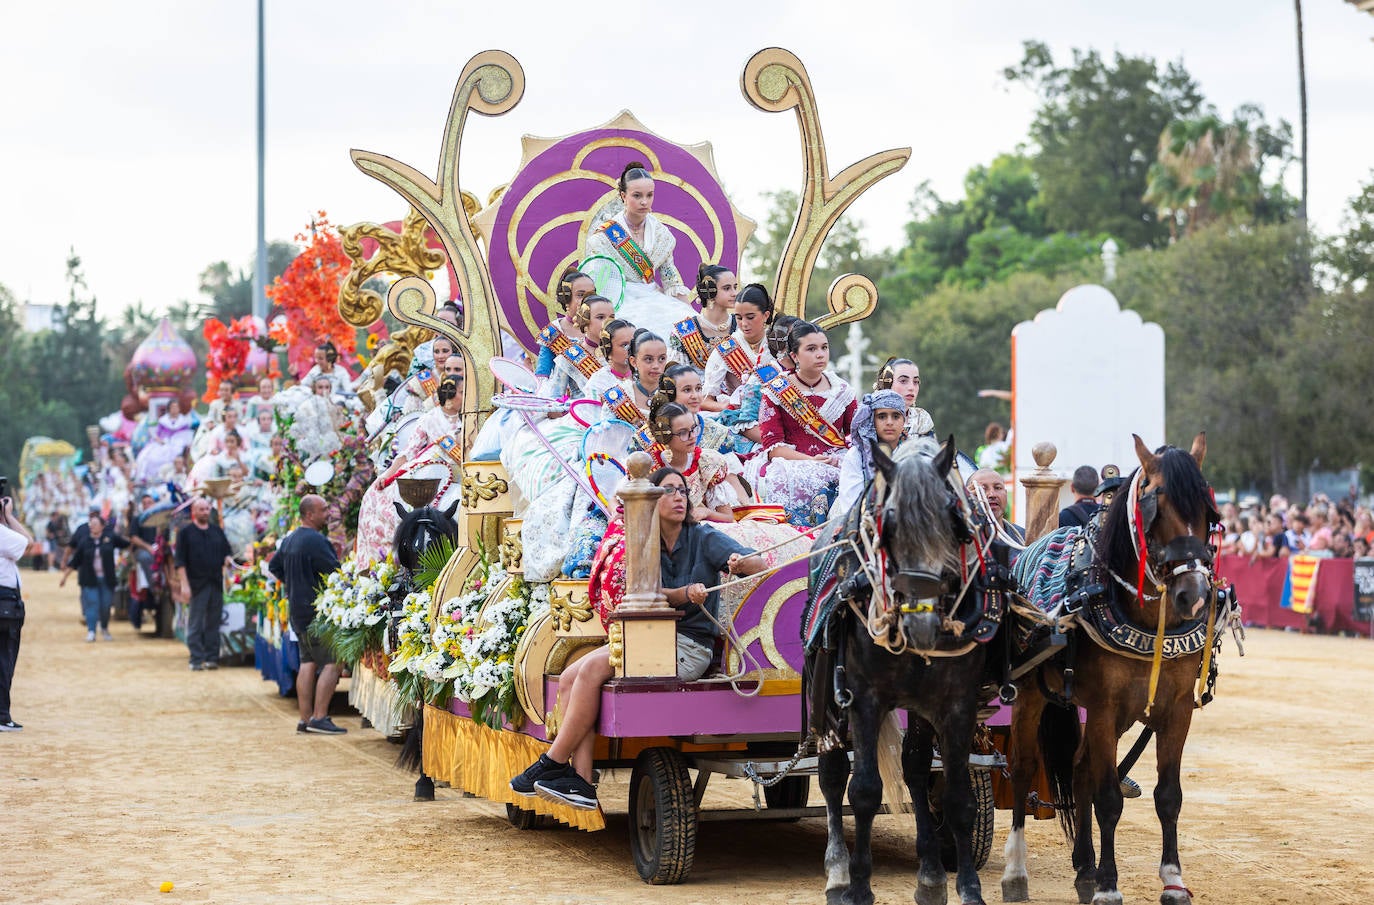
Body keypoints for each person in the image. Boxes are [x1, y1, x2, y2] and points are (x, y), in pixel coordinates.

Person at [510, 467, 765, 810]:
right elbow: (643, 593)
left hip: (688, 647)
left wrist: (741, 560)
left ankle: (553, 762)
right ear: (650, 502)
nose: (679, 497)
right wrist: (683, 593)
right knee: (571, 674)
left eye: (683, 491)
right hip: (649, 641)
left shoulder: (703, 536)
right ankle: (581, 782)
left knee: (588, 673)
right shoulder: (642, 540)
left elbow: (758, 563)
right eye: (669, 491)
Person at [752, 321, 857, 527]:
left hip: (834, 462)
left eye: (824, 348)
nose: (820, 354)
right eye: (811, 349)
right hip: (792, 464)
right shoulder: (776, 391)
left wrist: (839, 457)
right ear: (794, 356)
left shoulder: (842, 390)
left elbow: (855, 436)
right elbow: (772, 447)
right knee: (784, 478)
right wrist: (811, 460)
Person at [582, 161, 696, 340]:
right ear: (623, 196)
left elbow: (671, 280)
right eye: (637, 195)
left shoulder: (661, 234)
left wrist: (692, 315)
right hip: (619, 303)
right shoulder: (604, 237)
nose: (644, 202)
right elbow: (600, 284)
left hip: (654, 299)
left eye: (649, 195)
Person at [269, 495, 346, 734]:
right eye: (323, 510)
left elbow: (274, 567)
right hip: (316, 612)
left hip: (297, 611)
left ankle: (305, 719)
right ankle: (320, 717)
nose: (328, 514)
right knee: (334, 661)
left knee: (307, 662)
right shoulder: (316, 540)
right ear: (310, 514)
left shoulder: (290, 539)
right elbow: (335, 574)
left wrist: (294, 583)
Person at [174, 497, 234, 671]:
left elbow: (226, 552)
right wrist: (184, 585)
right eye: (201, 509)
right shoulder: (185, 533)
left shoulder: (217, 531)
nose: (205, 512)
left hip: (215, 583)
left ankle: (211, 658)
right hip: (196, 584)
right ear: (194, 511)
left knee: (213, 623)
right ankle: (196, 658)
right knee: (195, 623)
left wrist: (228, 560)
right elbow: (180, 562)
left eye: (207, 509)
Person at [831, 390, 908, 517]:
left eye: (896, 416)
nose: (889, 422)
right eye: (882, 416)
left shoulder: (912, 454)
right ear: (872, 420)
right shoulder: (856, 455)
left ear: (903, 420)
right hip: (863, 522)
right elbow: (851, 505)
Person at [60, 510, 131, 642]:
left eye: (95, 524)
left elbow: (126, 544)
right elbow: (75, 561)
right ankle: (91, 631)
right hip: (89, 579)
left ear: (102, 526)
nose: (92, 526)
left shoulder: (110, 538)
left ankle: (104, 628)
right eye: (91, 524)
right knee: (92, 604)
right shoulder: (84, 542)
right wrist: (65, 577)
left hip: (107, 579)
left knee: (105, 605)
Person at [0, 493, 34, 731]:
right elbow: (28, 541)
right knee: (4, 660)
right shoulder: (3, 535)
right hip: (5, 603)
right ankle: (2, 715)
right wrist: (8, 516)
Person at [669, 263, 738, 368]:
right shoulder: (682, 332)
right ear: (709, 290)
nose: (734, 293)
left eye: (735, 287)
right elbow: (676, 375)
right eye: (727, 288)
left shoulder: (742, 325)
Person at [873, 357, 934, 438]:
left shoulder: (921, 417)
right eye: (903, 381)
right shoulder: (870, 417)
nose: (911, 387)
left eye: (916, 382)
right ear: (887, 383)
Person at [582, 318, 638, 403]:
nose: (631, 349)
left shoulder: (646, 375)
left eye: (634, 344)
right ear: (608, 349)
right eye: (624, 345)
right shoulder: (598, 382)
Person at [966, 467, 1025, 544]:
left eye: (997, 488)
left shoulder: (1024, 539)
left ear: (1006, 494)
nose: (992, 495)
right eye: (983, 489)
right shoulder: (961, 540)